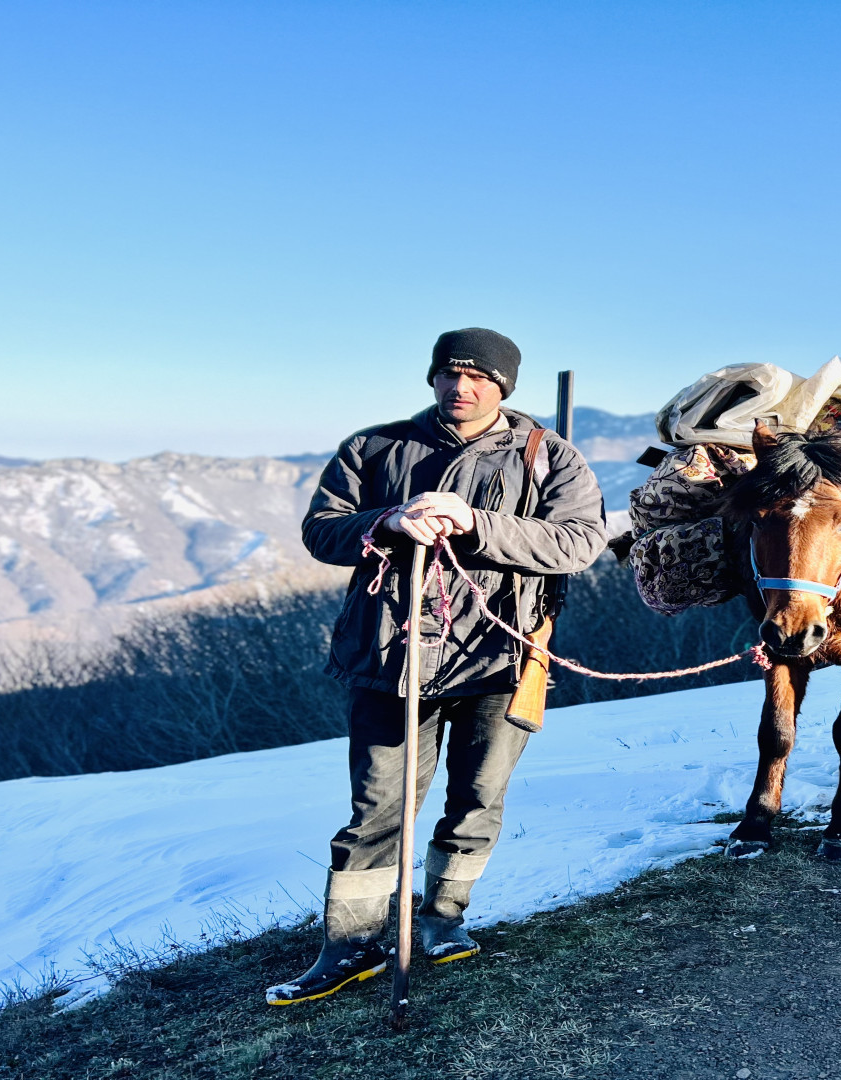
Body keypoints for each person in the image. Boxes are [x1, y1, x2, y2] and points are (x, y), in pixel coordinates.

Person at [267, 328, 607, 1004]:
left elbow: (579, 542)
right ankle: (352, 945)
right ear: (432, 378)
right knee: (377, 810)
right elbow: (321, 531)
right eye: (450, 374)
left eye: (479, 377)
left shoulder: (548, 455)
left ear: (502, 386)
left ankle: (443, 919)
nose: (462, 387)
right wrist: (389, 521)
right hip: (389, 660)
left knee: (477, 800)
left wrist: (474, 522)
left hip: (500, 658)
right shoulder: (375, 447)